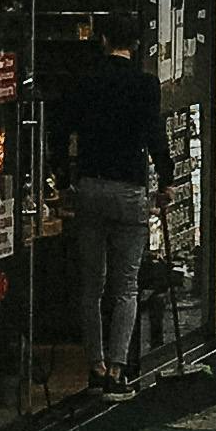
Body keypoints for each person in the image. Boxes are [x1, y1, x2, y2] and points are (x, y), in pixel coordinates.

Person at [66, 22, 172, 395]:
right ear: (137, 44)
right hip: (130, 189)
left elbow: (67, 128)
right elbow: (155, 135)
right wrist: (167, 178)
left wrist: (66, 177)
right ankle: (117, 368)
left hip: (92, 186)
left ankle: (93, 365)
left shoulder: (88, 81)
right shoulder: (145, 85)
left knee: (91, 285)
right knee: (126, 286)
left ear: (105, 39)